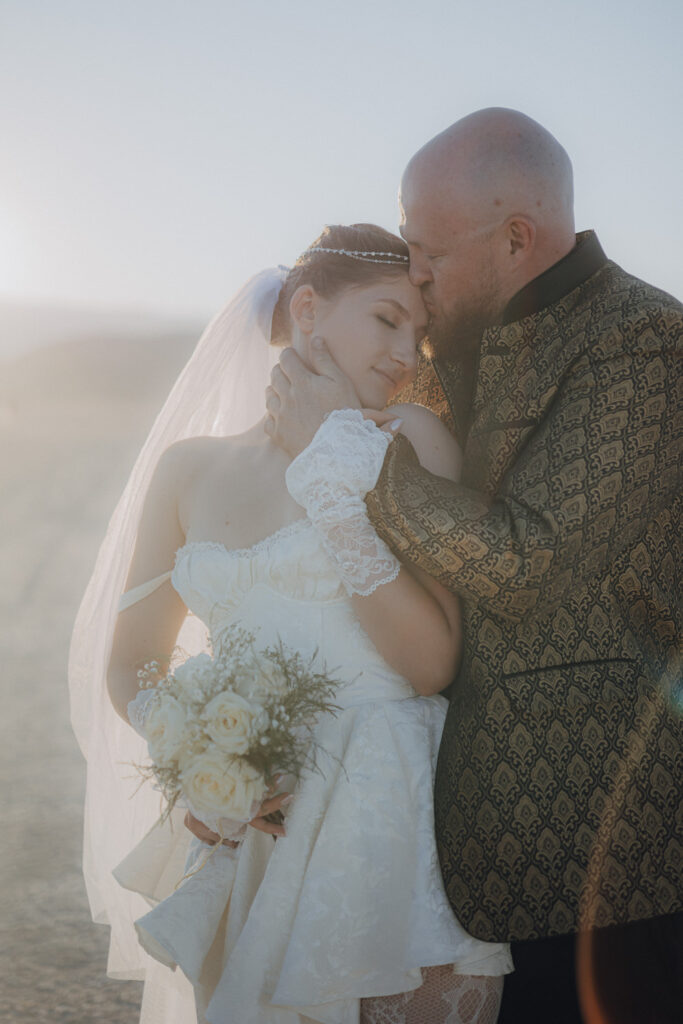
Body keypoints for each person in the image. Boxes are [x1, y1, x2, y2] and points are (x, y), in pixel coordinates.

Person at [266, 111, 683, 1023]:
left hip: (601, 864)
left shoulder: (646, 343)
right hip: (446, 853)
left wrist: (343, 454)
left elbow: (529, 561)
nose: (413, 273)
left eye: (427, 252)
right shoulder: (448, 343)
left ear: (517, 238)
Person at [71, 222, 512, 1024]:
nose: (406, 353)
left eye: (419, 333)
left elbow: (429, 664)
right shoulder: (189, 470)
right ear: (307, 310)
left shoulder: (410, 440)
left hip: (390, 817)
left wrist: (331, 472)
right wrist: (202, 761)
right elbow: (132, 659)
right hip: (255, 834)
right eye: (386, 319)